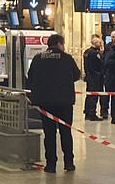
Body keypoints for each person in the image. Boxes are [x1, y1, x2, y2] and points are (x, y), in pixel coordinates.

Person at [28, 35, 81, 173]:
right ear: (58, 44)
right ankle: (68, 163)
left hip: (45, 103)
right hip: (64, 102)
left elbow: (30, 76)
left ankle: (51, 164)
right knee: (66, 132)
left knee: (49, 133)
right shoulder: (66, 58)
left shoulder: (38, 58)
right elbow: (77, 75)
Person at [83, 36, 105, 121]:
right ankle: (92, 113)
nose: (100, 44)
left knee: (89, 94)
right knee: (94, 95)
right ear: (95, 43)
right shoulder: (95, 53)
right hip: (95, 77)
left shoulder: (86, 52)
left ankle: (87, 112)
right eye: (99, 43)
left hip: (89, 76)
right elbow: (99, 64)